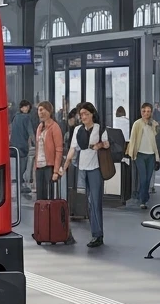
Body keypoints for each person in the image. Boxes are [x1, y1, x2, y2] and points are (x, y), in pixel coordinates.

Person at [58, 102, 109, 249]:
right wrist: (64, 167)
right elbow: (72, 150)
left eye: (86, 113)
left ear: (92, 114)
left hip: (95, 169)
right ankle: (96, 233)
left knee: (95, 201)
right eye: (81, 114)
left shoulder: (99, 128)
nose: (84, 117)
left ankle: (97, 234)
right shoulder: (78, 130)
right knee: (88, 202)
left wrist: (99, 145)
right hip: (82, 168)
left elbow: (107, 144)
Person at [126, 102, 159, 210]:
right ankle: (143, 200)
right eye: (144, 111)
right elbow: (133, 139)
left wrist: (157, 157)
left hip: (151, 155)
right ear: (141, 112)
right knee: (143, 178)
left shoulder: (154, 124)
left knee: (148, 179)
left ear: (151, 112)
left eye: (148, 111)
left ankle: (144, 196)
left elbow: (156, 140)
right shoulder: (137, 124)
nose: (146, 113)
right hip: (140, 154)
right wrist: (132, 153)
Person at [32, 100, 63, 202]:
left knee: (50, 196)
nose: (40, 113)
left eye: (42, 110)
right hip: (39, 165)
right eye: (39, 110)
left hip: (49, 166)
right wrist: (35, 166)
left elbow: (59, 150)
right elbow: (38, 147)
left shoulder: (55, 127)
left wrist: (56, 171)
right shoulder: (39, 127)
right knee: (40, 197)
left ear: (49, 111)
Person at [10, 100, 36, 196]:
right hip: (22, 146)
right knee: (23, 166)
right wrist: (36, 144)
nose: (27, 109)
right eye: (26, 107)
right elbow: (30, 132)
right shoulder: (26, 117)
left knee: (18, 165)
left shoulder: (15, 117)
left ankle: (20, 183)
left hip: (13, 145)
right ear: (22, 107)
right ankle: (20, 185)